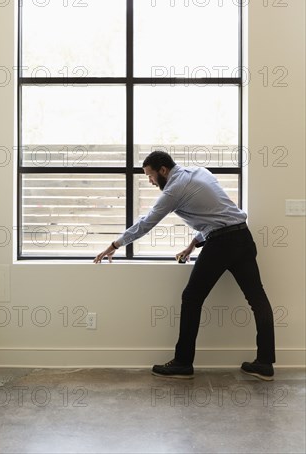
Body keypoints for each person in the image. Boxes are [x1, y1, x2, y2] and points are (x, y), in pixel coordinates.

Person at [93, 151, 275, 380]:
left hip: (222, 243)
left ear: (163, 170)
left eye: (150, 176)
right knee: (258, 299)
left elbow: (146, 223)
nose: (150, 182)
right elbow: (216, 213)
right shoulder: (200, 172)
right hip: (243, 237)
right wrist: (193, 244)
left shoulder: (173, 190)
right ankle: (265, 363)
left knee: (191, 298)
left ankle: (182, 363)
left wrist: (115, 244)